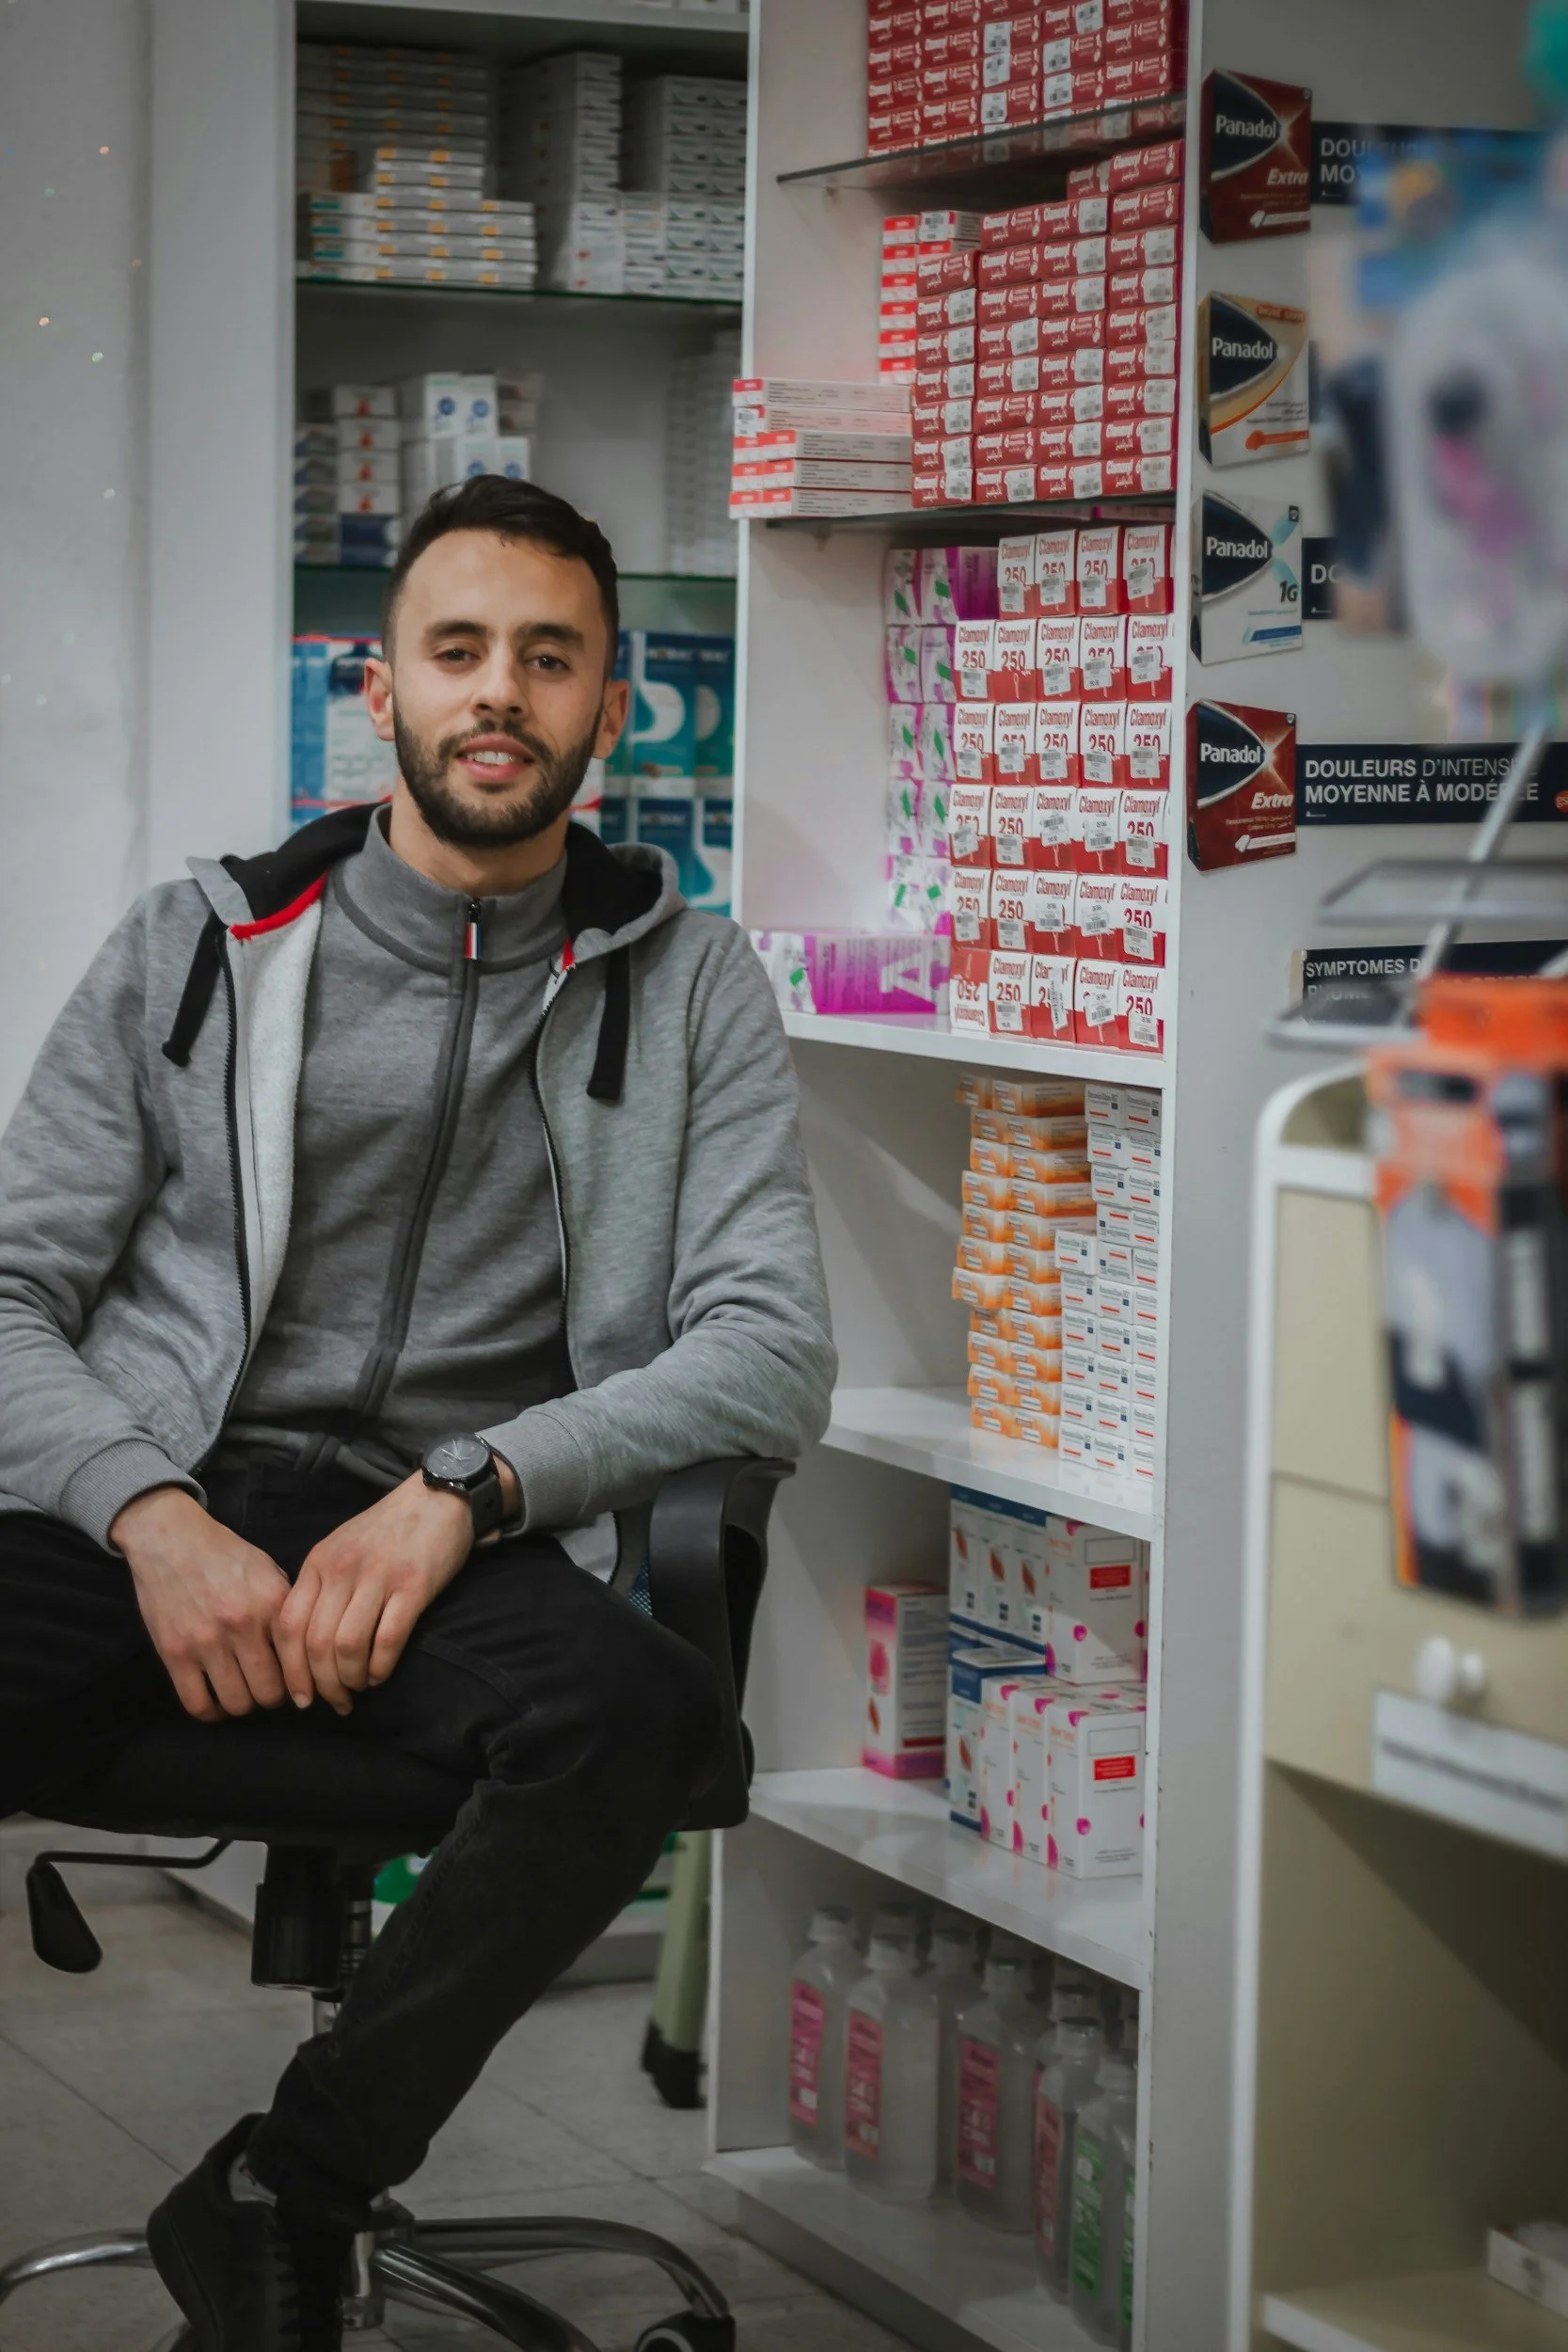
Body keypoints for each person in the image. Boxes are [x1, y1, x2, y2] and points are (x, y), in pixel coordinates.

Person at [0, 475, 836, 2351]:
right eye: (456, 650)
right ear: (373, 688)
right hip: (179, 1489)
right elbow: (7, 1294)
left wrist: (473, 1483)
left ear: (610, 707)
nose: (499, 693)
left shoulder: (691, 987)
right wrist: (148, 1511)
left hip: (447, 1535)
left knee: (639, 1715)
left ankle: (283, 2188)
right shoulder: (195, 945)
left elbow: (770, 1343)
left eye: (550, 659)